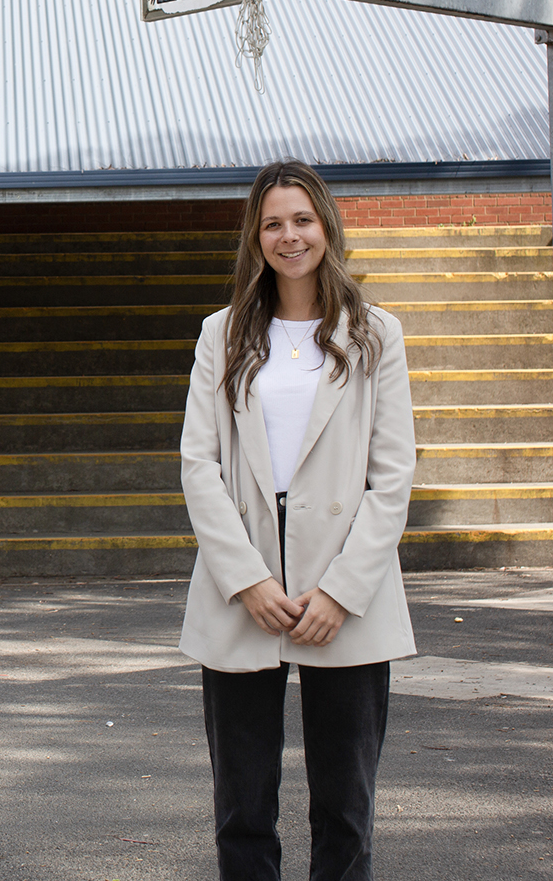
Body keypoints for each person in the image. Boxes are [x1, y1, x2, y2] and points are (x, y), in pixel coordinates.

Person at [178, 159, 416, 881]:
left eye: (303, 220)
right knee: (242, 808)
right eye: (273, 223)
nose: (290, 236)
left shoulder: (375, 333)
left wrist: (343, 590)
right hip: (245, 578)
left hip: (344, 582)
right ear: (255, 236)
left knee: (345, 808)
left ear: (327, 227)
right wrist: (246, 579)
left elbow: (392, 476)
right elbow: (199, 465)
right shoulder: (221, 334)